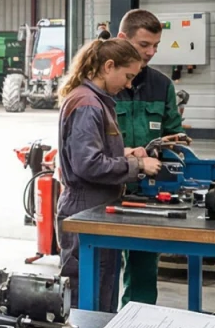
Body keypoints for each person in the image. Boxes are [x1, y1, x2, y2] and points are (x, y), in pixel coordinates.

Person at [57, 38, 161, 311]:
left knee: (102, 294)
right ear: (108, 66)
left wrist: (124, 153)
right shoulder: (88, 104)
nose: (128, 85)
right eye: (127, 76)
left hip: (97, 206)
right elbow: (87, 164)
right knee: (85, 300)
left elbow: (90, 152)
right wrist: (138, 166)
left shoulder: (96, 102)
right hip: (85, 208)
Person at [113, 9, 186, 306]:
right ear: (122, 38)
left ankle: (135, 324)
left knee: (143, 272)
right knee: (101, 272)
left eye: (156, 45)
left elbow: (174, 137)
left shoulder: (161, 85)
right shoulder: (101, 84)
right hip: (105, 189)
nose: (151, 52)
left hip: (146, 194)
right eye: (144, 45)